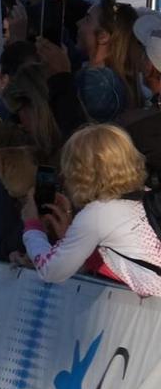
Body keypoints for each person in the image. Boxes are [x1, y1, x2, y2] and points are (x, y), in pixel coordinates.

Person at [23, 123, 161, 296]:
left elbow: (52, 271)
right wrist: (69, 233)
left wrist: (32, 228)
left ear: (79, 173)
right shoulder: (147, 196)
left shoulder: (97, 214)